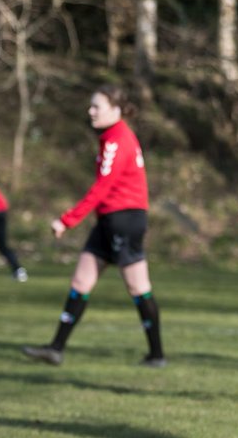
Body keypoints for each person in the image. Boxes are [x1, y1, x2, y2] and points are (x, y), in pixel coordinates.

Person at [22, 84, 165, 367]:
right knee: (81, 281)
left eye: (96, 106)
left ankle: (157, 354)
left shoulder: (117, 140)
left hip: (124, 219)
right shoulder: (112, 137)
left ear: (116, 110)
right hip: (109, 219)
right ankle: (56, 348)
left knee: (138, 287)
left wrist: (68, 220)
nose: (91, 111)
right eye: (91, 106)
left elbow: (102, 188)